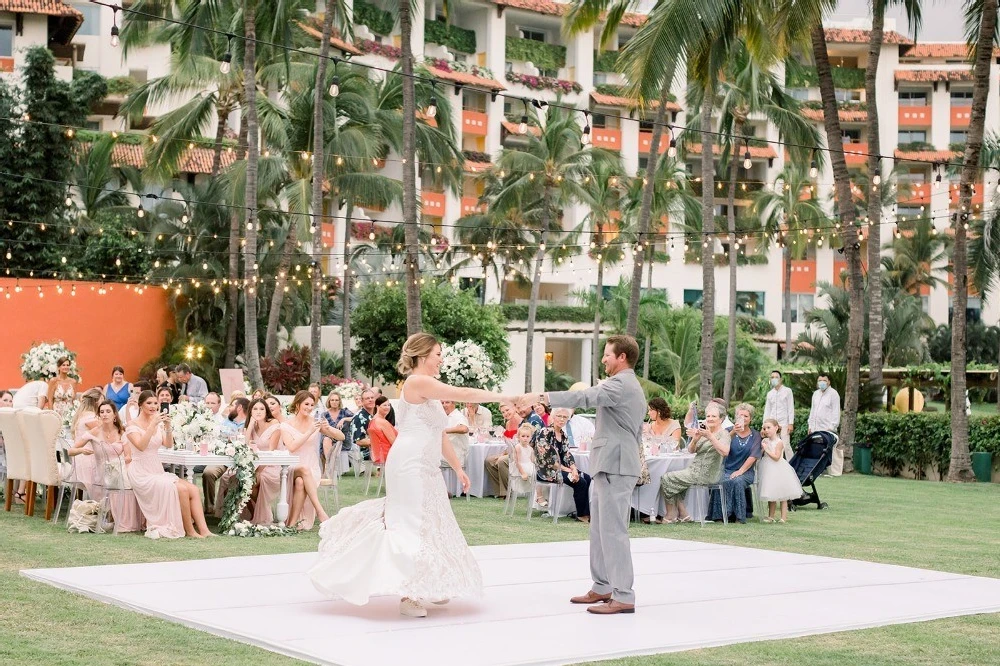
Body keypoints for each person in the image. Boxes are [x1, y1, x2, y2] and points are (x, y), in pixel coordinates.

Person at [310, 332, 510, 618]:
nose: (442, 359)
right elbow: (463, 394)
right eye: (438, 354)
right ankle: (408, 595)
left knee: (432, 521)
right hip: (409, 464)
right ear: (422, 355)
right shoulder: (417, 382)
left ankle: (428, 583)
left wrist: (457, 468)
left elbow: (439, 434)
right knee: (410, 523)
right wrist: (506, 396)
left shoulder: (427, 389)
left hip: (426, 465)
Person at [527, 334, 645, 616]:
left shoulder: (621, 383)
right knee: (599, 529)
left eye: (607, 354)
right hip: (609, 462)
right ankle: (603, 586)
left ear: (622, 358)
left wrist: (544, 397)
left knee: (614, 531)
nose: (603, 359)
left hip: (617, 463)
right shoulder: (621, 384)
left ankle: (624, 595)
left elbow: (585, 396)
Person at [125, 390, 211, 538]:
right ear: (140, 405)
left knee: (193, 490)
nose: (153, 406)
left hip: (155, 468)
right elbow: (141, 446)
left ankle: (204, 530)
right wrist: (153, 425)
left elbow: (169, 444)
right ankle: (190, 531)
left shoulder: (157, 424)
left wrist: (168, 425)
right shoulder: (132, 425)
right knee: (181, 489)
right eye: (149, 403)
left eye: (155, 403)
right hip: (141, 472)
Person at [75, 400, 144, 532]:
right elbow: (71, 450)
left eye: (108, 411)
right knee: (125, 479)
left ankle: (127, 519)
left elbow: (128, 456)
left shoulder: (121, 432)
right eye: (102, 412)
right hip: (101, 472)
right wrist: (81, 450)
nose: (105, 414)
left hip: (119, 467)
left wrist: (122, 464)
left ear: (114, 415)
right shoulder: (95, 431)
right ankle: (113, 517)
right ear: (99, 415)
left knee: (135, 478)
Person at [659, 401, 731, 524]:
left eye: (714, 416)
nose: (710, 419)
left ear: (721, 419)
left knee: (667, 478)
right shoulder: (705, 431)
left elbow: (725, 452)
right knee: (672, 478)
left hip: (707, 473)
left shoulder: (724, 434)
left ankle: (672, 514)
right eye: (708, 416)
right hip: (694, 469)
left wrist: (710, 437)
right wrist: (695, 439)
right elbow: (691, 450)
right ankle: (683, 514)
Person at [283, 391, 338, 529]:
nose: (309, 407)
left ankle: (292, 523)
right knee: (303, 470)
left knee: (301, 482)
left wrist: (328, 428)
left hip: (312, 468)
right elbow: (292, 447)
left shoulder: (315, 423)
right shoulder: (285, 425)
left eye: (312, 405)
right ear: (297, 404)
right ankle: (320, 511)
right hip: (291, 467)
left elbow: (341, 437)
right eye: (306, 404)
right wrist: (309, 432)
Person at [532, 408, 591, 522]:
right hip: (546, 471)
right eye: (559, 416)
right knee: (580, 482)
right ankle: (581, 515)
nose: (562, 419)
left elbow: (567, 454)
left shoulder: (563, 435)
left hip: (560, 469)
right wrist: (567, 470)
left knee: (586, 477)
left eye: (565, 417)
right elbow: (547, 458)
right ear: (553, 417)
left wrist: (573, 468)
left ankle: (585, 513)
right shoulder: (545, 432)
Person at [707, 403, 761, 524]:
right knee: (721, 479)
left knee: (737, 481)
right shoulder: (727, 431)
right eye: (740, 415)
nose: (742, 418)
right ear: (736, 417)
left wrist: (740, 471)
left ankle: (738, 516)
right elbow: (722, 446)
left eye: (746, 416)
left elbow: (753, 456)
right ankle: (719, 516)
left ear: (750, 418)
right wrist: (733, 432)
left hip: (745, 471)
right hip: (726, 469)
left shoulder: (755, 435)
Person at [203, 397, 248, 513]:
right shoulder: (225, 422)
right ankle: (209, 508)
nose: (229, 408)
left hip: (239, 461)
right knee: (208, 473)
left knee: (231, 477)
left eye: (232, 405)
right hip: (223, 458)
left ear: (239, 408)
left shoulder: (249, 423)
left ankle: (228, 510)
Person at [246, 398, 284, 525]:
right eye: (255, 409)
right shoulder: (254, 425)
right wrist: (250, 425)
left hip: (272, 466)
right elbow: (245, 446)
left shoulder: (274, 424)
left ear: (266, 410)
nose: (258, 411)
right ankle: (258, 514)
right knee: (240, 481)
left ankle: (264, 515)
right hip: (257, 465)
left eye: (261, 409)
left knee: (251, 482)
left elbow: (270, 453)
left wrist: (258, 471)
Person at [758, 419, 803, 523]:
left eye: (769, 428)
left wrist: (766, 449)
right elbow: (760, 453)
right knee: (771, 493)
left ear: (776, 428)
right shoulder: (765, 441)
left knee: (783, 495)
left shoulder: (779, 442)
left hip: (778, 469)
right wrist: (762, 447)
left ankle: (783, 517)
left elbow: (777, 457)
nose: (766, 430)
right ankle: (771, 516)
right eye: (765, 428)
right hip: (767, 468)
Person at [485, 402, 523, 499]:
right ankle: (500, 491)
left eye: (507, 410)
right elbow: (510, 445)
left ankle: (509, 492)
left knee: (502, 461)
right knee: (489, 461)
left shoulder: (522, 422)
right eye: (503, 412)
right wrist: (502, 454)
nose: (505, 413)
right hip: (511, 452)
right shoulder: (508, 423)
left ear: (514, 408)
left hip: (521, 454)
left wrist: (506, 456)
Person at [808, 373, 843, 475]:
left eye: (824, 380)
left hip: (827, 429)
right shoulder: (815, 394)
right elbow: (812, 411)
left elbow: (836, 412)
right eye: (820, 380)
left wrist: (831, 427)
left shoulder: (833, 394)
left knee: (828, 449)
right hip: (815, 428)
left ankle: (832, 471)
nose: (822, 383)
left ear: (828, 382)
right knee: (816, 449)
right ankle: (818, 471)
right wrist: (810, 426)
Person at [763, 370, 795, 459]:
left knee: (786, 444)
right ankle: (775, 464)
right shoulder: (770, 394)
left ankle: (792, 465)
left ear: (780, 379)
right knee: (773, 444)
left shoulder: (787, 391)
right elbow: (767, 410)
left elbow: (790, 408)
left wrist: (791, 423)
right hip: (772, 424)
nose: (774, 379)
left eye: (776, 377)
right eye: (772, 377)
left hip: (784, 422)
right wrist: (764, 425)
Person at [510, 423, 542, 504]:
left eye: (528, 436)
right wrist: (523, 473)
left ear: (531, 437)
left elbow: (532, 460)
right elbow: (517, 462)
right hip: (520, 467)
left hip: (528, 465)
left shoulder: (530, 448)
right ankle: (539, 496)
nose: (525, 438)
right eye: (523, 436)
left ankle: (539, 495)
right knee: (535, 474)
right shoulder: (518, 447)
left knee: (540, 473)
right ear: (518, 437)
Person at [348, 389, 378, 467]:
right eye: (367, 398)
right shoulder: (359, 417)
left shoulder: (372, 415)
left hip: (373, 453)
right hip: (364, 458)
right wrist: (380, 442)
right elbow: (359, 441)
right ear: (362, 401)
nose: (370, 400)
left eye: (372, 397)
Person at [367, 396, 397, 466]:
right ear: (377, 406)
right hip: (388, 455)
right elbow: (394, 442)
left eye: (388, 405)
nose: (387, 407)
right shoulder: (383, 422)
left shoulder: (372, 420)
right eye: (384, 405)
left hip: (378, 455)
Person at [441, 399, 470, 470]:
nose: (444, 405)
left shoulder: (458, 416)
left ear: (453, 404)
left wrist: (444, 431)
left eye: (447, 402)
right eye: (442, 403)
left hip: (454, 458)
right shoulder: (444, 417)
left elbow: (464, 428)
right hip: (445, 456)